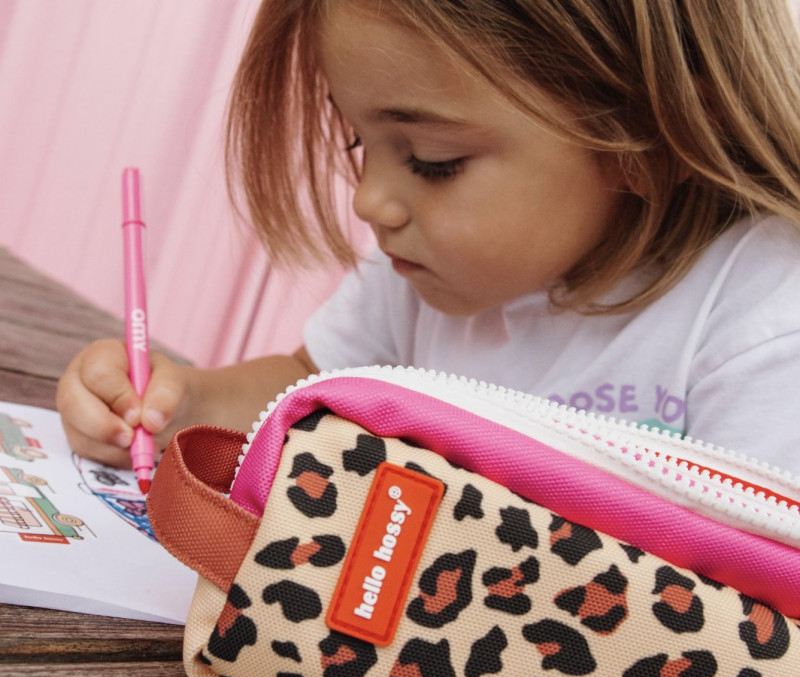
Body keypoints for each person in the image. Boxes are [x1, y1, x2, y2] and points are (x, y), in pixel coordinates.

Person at [57, 0, 800, 477]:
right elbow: (300, 393)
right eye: (357, 142)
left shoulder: (762, 322)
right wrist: (177, 406)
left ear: (646, 140)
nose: (371, 200)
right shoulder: (421, 279)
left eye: (432, 162)